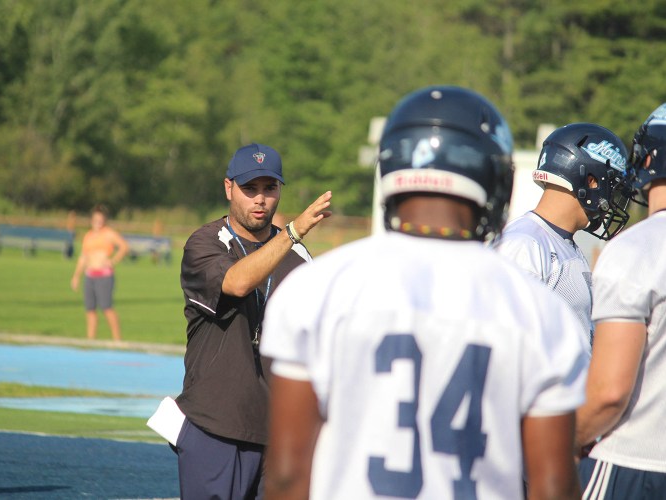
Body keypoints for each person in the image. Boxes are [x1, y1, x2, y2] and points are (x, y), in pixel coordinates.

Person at [260, 86, 588, 500]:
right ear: (495, 177)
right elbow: (554, 486)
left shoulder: (315, 288)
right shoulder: (541, 312)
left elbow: (288, 474)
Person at [172, 143, 332, 499]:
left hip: (278, 434)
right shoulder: (206, 242)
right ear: (229, 188)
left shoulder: (299, 256)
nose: (260, 200)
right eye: (250, 189)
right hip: (215, 427)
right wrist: (292, 233)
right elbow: (238, 282)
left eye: (269, 188)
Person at [575, 103, 666, 497]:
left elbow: (609, 395)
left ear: (647, 158)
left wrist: (559, 439)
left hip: (633, 464)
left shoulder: (638, 248)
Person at [492, 123, 633, 350]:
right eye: (612, 186)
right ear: (591, 181)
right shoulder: (523, 244)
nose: (613, 200)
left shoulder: (565, 245)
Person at [70, 204, 129, 341]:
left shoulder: (108, 233)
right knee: (90, 310)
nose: (98, 223)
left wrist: (113, 261)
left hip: (104, 276)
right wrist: (76, 276)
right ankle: (91, 340)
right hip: (90, 276)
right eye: (96, 220)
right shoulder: (88, 236)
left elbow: (124, 246)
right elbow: (83, 257)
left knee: (106, 307)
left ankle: (117, 340)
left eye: (101, 220)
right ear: (91, 220)